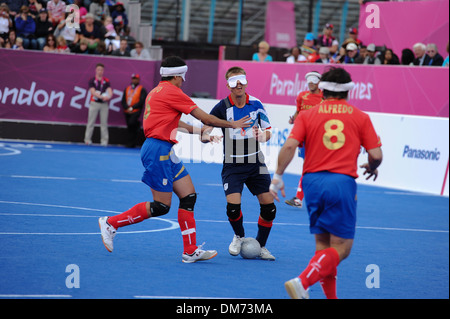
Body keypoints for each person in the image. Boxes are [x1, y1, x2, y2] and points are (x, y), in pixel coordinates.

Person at [98, 56, 252, 263]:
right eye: (183, 77)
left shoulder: (156, 91)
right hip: (157, 150)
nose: (184, 81)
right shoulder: (173, 92)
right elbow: (205, 117)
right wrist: (231, 124)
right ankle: (111, 223)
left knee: (189, 196)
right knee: (162, 206)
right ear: (177, 76)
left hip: (164, 150)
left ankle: (190, 251)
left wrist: (198, 132)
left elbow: (173, 121)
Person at [269, 67, 383, 299]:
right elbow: (376, 154)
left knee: (323, 246)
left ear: (322, 89)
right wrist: (372, 167)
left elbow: (290, 146)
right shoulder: (360, 116)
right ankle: (303, 281)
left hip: (312, 183)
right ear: (349, 91)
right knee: (342, 248)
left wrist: (278, 176)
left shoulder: (307, 115)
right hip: (341, 182)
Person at [209, 66, 277, 260]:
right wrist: (207, 136)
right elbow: (206, 124)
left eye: (241, 80)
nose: (238, 84)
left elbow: (268, 131)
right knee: (233, 207)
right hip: (233, 165)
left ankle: (261, 246)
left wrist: (262, 136)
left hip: (256, 162)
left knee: (269, 208)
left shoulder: (256, 104)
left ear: (246, 82)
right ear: (228, 85)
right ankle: (239, 236)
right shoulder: (222, 107)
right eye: (233, 81)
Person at [285, 71, 323, 209]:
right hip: (305, 137)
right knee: (310, 167)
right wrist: (293, 119)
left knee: (311, 168)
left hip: (320, 137)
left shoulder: (324, 97)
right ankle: (302, 198)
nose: (311, 82)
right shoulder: (302, 96)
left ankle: (300, 198)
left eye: (314, 79)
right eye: (309, 80)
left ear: (319, 81)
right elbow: (298, 111)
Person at [84, 63, 113, 146]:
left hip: (104, 104)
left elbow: (110, 91)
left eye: (101, 70)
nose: (100, 71)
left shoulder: (106, 80)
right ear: (96, 70)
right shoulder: (92, 80)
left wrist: (108, 96)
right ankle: (87, 139)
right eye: (98, 69)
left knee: (104, 123)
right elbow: (92, 91)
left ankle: (104, 141)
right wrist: (100, 96)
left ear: (103, 71)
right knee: (91, 122)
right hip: (94, 103)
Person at [121, 73, 147, 148]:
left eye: (136, 79)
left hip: (136, 111)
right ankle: (130, 143)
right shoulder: (127, 88)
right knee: (129, 126)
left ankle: (133, 142)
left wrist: (132, 108)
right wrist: (127, 108)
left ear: (138, 80)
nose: (134, 80)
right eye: (133, 78)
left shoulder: (141, 89)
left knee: (132, 123)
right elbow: (123, 100)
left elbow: (141, 101)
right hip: (127, 111)